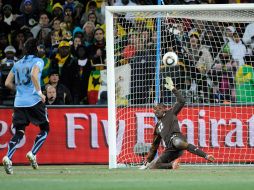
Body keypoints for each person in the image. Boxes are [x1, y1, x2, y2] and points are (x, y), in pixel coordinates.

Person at [140, 77, 215, 170]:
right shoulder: (157, 127)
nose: (156, 111)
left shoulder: (170, 113)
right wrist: (147, 161)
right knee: (153, 166)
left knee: (177, 142)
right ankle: (172, 165)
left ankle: (206, 156)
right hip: (170, 150)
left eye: (159, 108)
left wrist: (173, 88)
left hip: (177, 139)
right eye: (154, 109)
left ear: (164, 109)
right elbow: (154, 147)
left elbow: (182, 101)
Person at [2, 38, 49, 175]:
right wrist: (39, 93)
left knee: (19, 132)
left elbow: (7, 83)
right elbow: (34, 76)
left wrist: (20, 91)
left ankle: (8, 157)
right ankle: (33, 153)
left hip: (19, 102)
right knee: (45, 128)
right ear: (36, 49)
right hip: (33, 101)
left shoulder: (17, 63)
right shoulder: (38, 61)